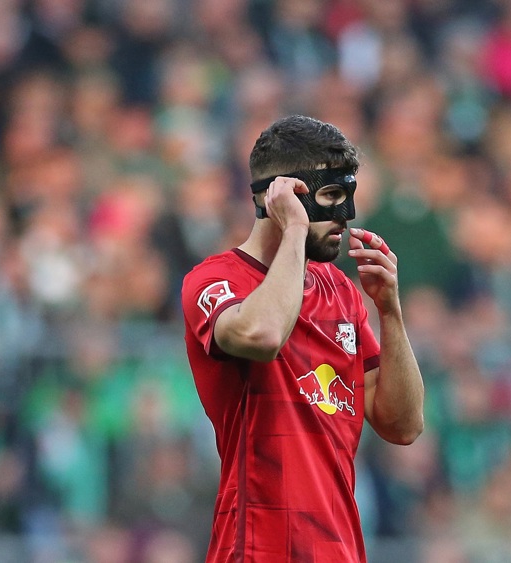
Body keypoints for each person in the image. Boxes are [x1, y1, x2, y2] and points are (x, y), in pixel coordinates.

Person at [180, 115, 425, 562]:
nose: (346, 216)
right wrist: (294, 229)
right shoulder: (215, 281)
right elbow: (264, 334)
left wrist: (390, 312)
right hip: (258, 545)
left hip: (339, 547)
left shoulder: (343, 293)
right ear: (283, 198)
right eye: (331, 196)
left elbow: (403, 425)